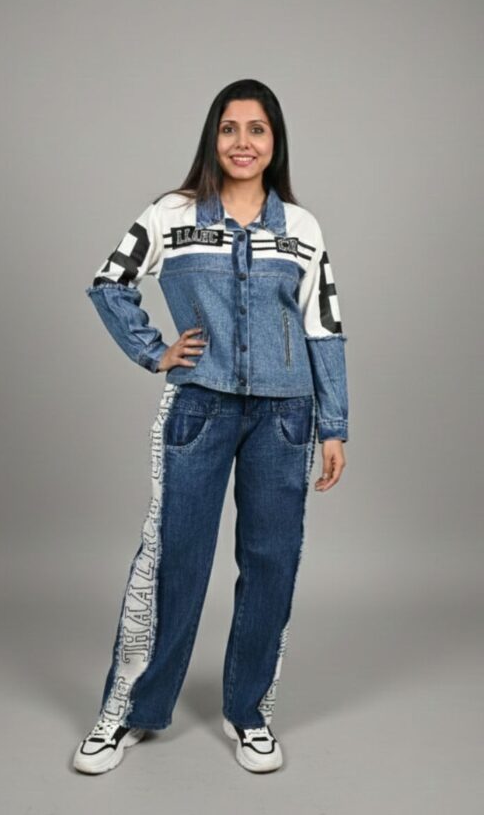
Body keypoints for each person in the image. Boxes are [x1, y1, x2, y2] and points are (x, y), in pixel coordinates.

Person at [73, 79, 349, 775]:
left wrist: (334, 425)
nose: (242, 142)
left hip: (285, 418)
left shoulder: (302, 228)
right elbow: (110, 281)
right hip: (199, 408)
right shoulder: (171, 215)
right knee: (174, 559)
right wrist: (154, 351)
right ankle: (130, 710)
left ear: (275, 141)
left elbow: (323, 326)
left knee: (272, 562)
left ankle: (249, 712)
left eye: (257, 129)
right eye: (229, 128)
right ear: (212, 137)